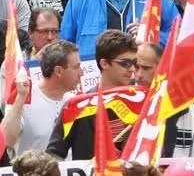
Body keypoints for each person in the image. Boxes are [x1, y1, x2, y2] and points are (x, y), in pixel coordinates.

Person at [46, 30, 140, 160]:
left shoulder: (141, 102)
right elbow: (53, 154)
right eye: (125, 63)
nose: (132, 69)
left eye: (135, 63)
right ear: (104, 63)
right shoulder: (77, 106)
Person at [1, 41, 82, 156]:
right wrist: (20, 99)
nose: (81, 73)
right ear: (59, 71)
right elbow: (5, 141)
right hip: (32, 167)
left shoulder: (74, 101)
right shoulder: (24, 97)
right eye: (76, 67)